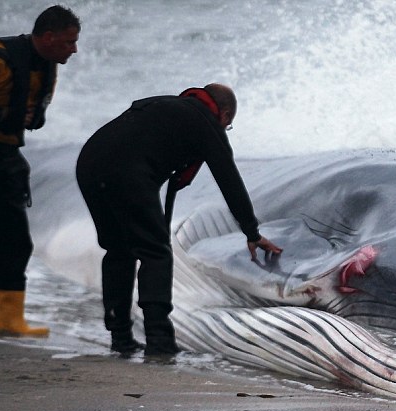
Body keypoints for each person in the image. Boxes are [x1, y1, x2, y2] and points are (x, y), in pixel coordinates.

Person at [76, 83, 281, 356]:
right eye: (228, 125)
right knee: (155, 253)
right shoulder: (205, 122)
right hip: (126, 172)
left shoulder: (166, 106)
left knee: (119, 250)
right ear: (225, 114)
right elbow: (229, 179)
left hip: (89, 162)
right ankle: (160, 341)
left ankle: (120, 337)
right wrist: (252, 232)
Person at [0, 5, 80, 336]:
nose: (74, 49)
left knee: (18, 239)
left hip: (5, 153)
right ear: (48, 38)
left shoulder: (48, 66)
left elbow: (35, 108)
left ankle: (10, 317)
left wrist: (30, 118)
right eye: (68, 42)